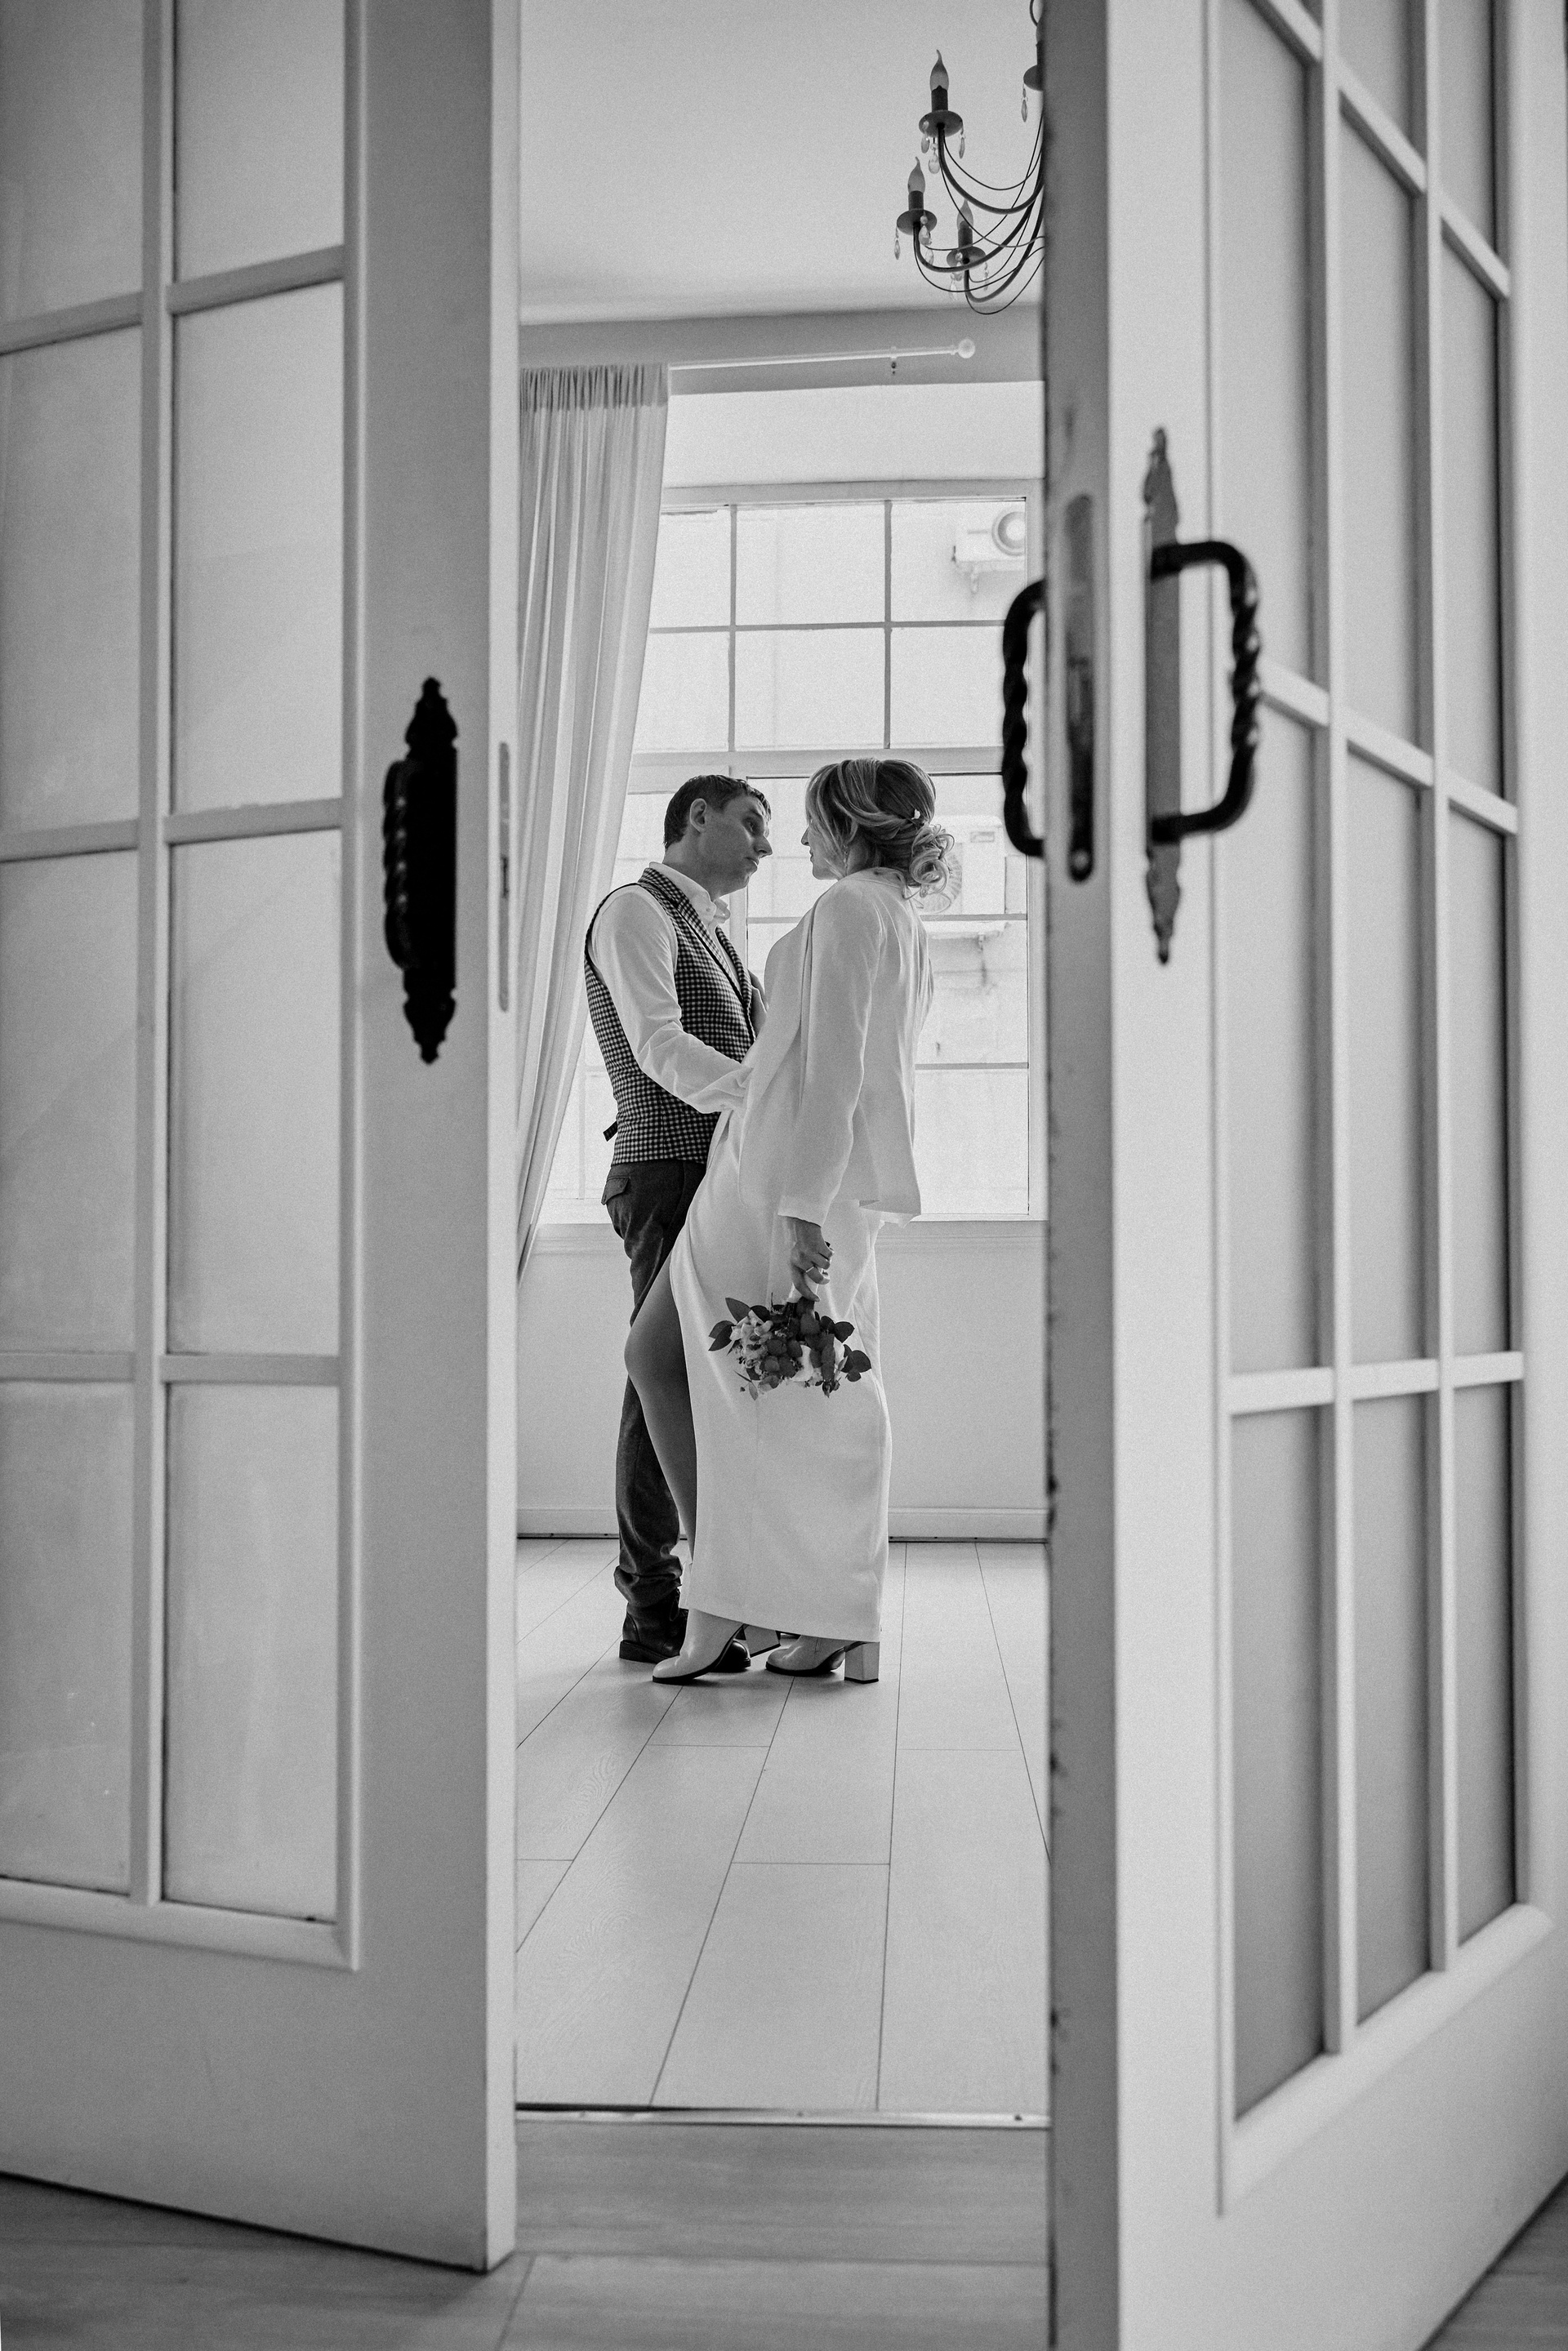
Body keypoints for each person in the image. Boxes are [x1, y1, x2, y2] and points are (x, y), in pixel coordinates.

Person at [623, 756, 949, 1684]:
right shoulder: (895, 914)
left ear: (847, 825)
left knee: (797, 1396)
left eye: (809, 821)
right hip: (791, 1179)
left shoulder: (848, 908)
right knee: (783, 1388)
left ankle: (755, 1608)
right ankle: (821, 1614)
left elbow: (836, 1070)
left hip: (777, 1185)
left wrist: (802, 1207)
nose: (798, 839)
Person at [585, 773, 773, 1666]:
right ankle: (653, 1603)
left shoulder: (717, 931)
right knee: (657, 1373)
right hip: (665, 1171)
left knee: (693, 1376)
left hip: (715, 1172)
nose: (765, 847)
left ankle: (717, 1590)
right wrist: (763, 1102)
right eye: (751, 824)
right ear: (697, 816)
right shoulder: (635, 911)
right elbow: (659, 1044)